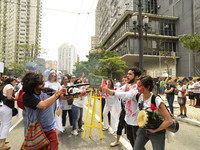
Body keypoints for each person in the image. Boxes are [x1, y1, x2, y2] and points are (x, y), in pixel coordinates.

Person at [21, 71, 67, 150]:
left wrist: (74, 93)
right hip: (36, 131)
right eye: (41, 82)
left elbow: (64, 97)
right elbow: (43, 105)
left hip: (51, 129)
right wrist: (57, 94)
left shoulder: (46, 90)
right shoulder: (26, 96)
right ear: (33, 85)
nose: (44, 84)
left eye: (43, 81)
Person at [104, 67, 142, 149]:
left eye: (130, 74)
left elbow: (128, 96)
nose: (127, 76)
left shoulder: (137, 87)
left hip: (136, 121)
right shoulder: (127, 85)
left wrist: (112, 93)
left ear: (136, 77)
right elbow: (119, 91)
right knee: (130, 138)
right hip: (128, 119)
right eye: (127, 74)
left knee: (138, 143)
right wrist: (109, 91)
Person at [133, 75, 173, 150]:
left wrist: (155, 130)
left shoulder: (156, 100)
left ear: (148, 87)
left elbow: (169, 120)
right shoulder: (139, 96)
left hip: (157, 132)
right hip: (143, 130)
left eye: (139, 86)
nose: (136, 88)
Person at [0, 78, 17, 150]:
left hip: (1, 106)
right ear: (11, 82)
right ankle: (2, 145)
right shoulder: (10, 86)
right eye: (14, 82)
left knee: (3, 124)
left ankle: (1, 140)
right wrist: (15, 98)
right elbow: (9, 97)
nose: (15, 83)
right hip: (6, 107)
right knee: (6, 125)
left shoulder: (3, 86)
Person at [110, 76, 127, 147]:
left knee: (131, 132)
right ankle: (117, 141)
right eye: (122, 81)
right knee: (120, 127)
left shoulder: (132, 90)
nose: (123, 82)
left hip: (131, 114)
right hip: (123, 111)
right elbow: (114, 93)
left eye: (125, 80)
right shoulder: (121, 89)